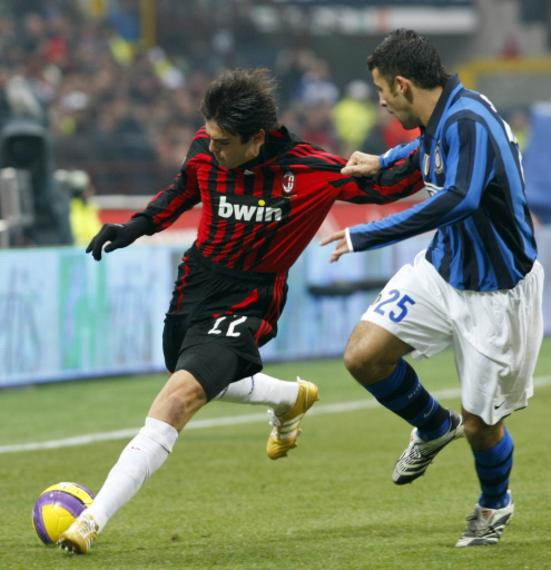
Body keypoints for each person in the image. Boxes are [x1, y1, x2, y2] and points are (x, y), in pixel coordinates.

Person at [58, 68, 424, 555]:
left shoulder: (313, 170)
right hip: (196, 285)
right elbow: (183, 189)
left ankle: (90, 521)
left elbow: (389, 187)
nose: (212, 149)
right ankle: (290, 397)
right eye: (209, 138)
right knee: (189, 375)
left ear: (257, 139)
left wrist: (439, 138)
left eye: (223, 143)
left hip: (250, 299)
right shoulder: (206, 148)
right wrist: (135, 227)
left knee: (178, 397)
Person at [322, 29, 544, 547]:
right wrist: (384, 161)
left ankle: (494, 505)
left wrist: (365, 235)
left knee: (481, 425)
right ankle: (432, 425)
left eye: (382, 90)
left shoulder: (468, 120)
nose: (380, 101)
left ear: (403, 84)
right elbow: (427, 149)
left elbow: (458, 199)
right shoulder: (444, 114)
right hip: (444, 268)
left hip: (497, 292)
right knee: (364, 356)